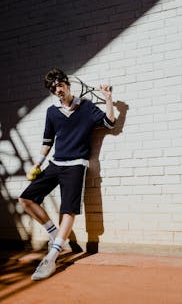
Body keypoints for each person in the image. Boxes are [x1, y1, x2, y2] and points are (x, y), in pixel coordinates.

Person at [19, 68, 115, 280]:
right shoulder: (52, 112)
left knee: (68, 210)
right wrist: (38, 163)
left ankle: (51, 258)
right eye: (53, 89)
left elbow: (109, 123)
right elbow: (47, 141)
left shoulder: (87, 107)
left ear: (67, 84)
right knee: (26, 199)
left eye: (59, 85)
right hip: (55, 163)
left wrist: (108, 99)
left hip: (76, 165)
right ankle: (55, 235)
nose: (57, 90)